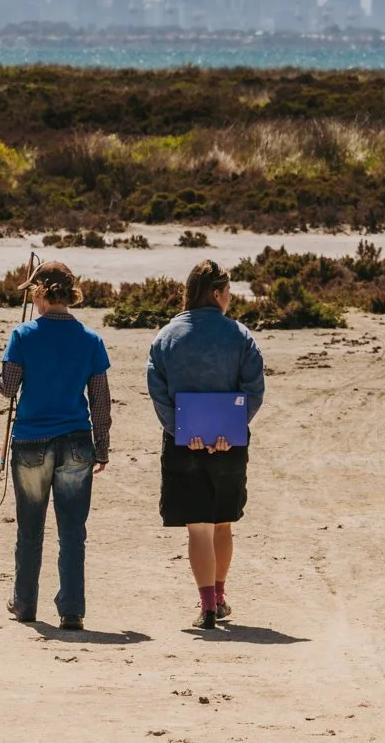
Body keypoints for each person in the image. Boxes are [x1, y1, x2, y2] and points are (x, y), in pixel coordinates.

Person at [146, 258, 265, 630]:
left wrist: (182, 431)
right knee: (222, 524)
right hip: (229, 445)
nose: (230, 298)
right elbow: (254, 390)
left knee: (198, 527)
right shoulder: (240, 335)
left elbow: (158, 392)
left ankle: (208, 606)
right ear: (216, 294)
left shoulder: (166, 337)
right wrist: (229, 430)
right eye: (228, 292)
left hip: (184, 444)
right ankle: (221, 596)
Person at [0, 260, 111, 632]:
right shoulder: (91, 340)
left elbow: (7, 389)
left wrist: (8, 369)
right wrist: (102, 447)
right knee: (72, 530)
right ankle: (72, 610)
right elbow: (100, 401)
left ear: (42, 293)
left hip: (31, 441)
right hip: (77, 442)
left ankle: (25, 603)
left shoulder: (22, 335)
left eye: (33, 292)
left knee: (30, 527)